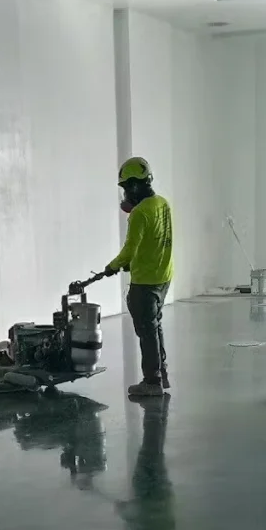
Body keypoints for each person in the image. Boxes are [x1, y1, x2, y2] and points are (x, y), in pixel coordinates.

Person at [105, 157, 173, 397]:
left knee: (146, 331)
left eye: (126, 188)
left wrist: (112, 266)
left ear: (135, 186)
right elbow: (155, 240)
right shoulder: (162, 204)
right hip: (163, 276)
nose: (125, 194)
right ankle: (161, 373)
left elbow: (129, 249)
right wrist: (130, 262)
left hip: (145, 282)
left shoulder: (139, 213)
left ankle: (152, 382)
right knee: (155, 327)